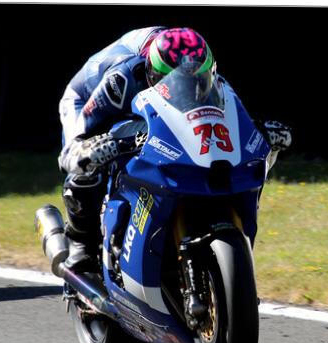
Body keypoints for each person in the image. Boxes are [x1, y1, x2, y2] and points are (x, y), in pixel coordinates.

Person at [57, 27, 292, 272]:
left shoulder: (209, 75)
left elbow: (230, 119)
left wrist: (258, 136)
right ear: (153, 74)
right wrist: (85, 148)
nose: (187, 90)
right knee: (86, 161)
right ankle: (80, 245)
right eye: (178, 84)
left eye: (196, 81)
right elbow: (81, 137)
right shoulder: (123, 79)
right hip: (87, 100)